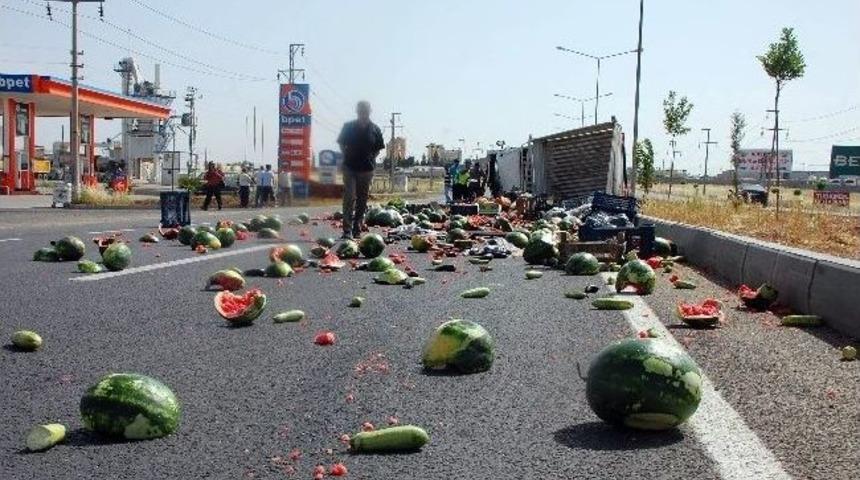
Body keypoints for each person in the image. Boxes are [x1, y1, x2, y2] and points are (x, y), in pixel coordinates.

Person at [337, 100, 385, 239]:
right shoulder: (348, 126)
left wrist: (370, 158)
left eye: (365, 110)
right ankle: (347, 230)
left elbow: (378, 149)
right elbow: (341, 143)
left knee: (362, 199)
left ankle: (357, 227)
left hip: (367, 169)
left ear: (370, 111)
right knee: (350, 196)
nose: (363, 112)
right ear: (357, 111)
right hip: (350, 167)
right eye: (361, 110)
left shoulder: (375, 129)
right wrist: (346, 155)